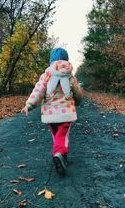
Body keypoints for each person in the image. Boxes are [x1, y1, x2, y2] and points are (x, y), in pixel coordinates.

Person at [21, 47, 84, 175]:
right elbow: (78, 92)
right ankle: (59, 154)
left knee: (56, 136)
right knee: (63, 136)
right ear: (66, 60)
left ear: (51, 60)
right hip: (66, 113)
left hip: (50, 114)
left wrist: (29, 104)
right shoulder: (70, 76)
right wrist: (77, 102)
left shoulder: (46, 75)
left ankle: (61, 155)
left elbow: (38, 91)